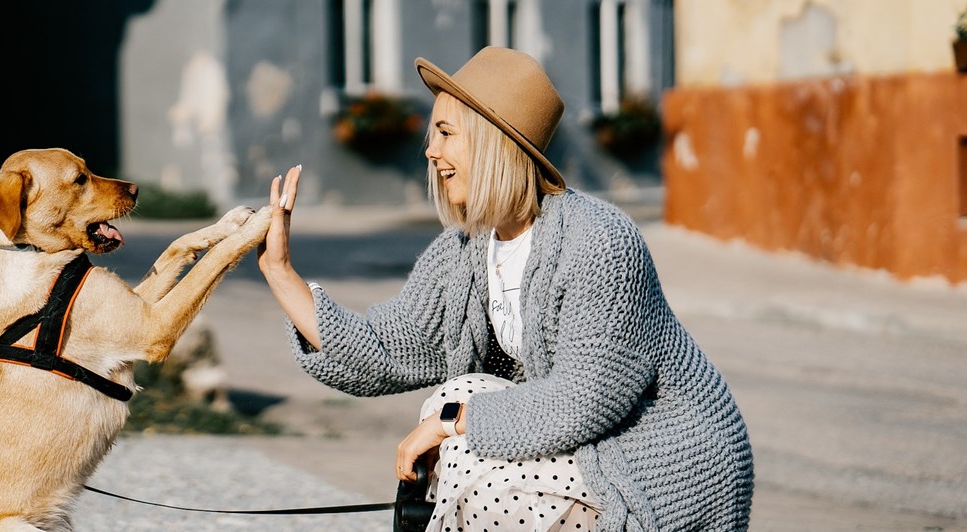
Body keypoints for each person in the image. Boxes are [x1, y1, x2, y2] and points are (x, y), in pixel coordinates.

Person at [256, 47, 753, 531]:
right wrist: (281, 271)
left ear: (493, 140)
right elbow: (385, 349)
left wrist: (452, 422)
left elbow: (581, 399)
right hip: (585, 443)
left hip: (661, 461)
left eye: (446, 133)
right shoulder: (467, 247)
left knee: (473, 457)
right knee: (457, 400)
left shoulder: (600, 240)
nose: (431, 151)